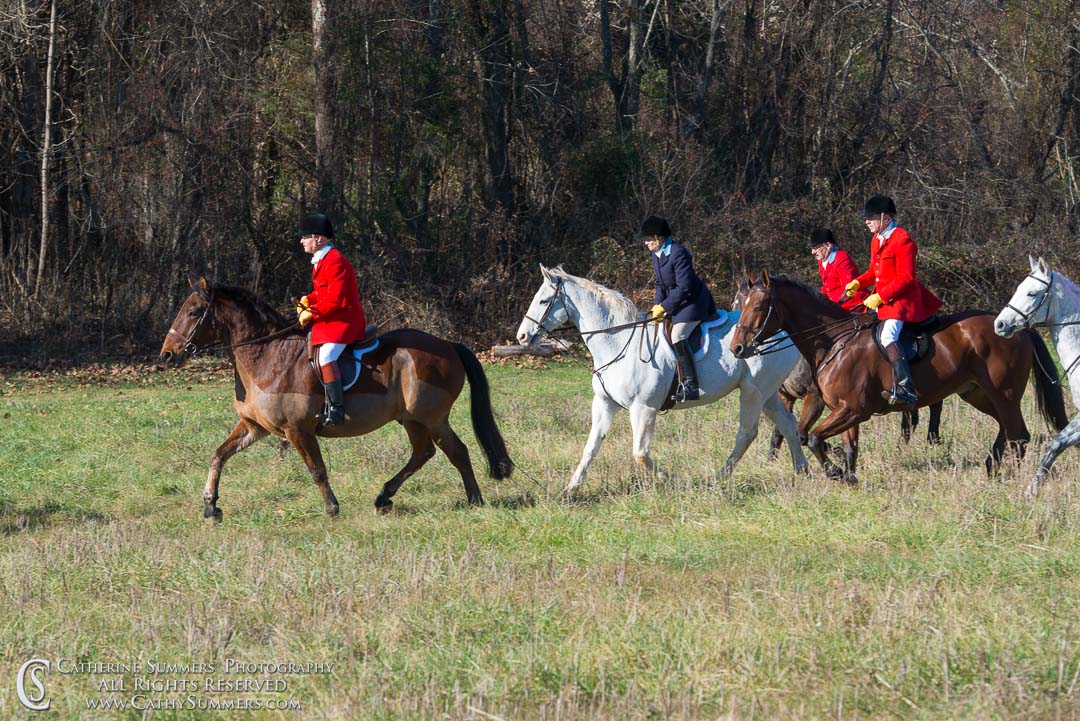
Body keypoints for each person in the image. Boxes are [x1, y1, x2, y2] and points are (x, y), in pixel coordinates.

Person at [844, 195, 941, 405]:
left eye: (870, 218)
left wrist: (881, 296)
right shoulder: (877, 239)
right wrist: (857, 284)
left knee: (888, 336)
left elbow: (907, 277)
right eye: (866, 218)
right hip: (885, 301)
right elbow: (873, 272)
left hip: (902, 302)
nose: (866, 222)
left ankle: (906, 387)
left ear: (885, 218)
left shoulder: (902, 239)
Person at [295, 213, 366, 426]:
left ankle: (336, 408)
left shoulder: (335, 261)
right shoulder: (321, 260)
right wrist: (309, 298)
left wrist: (312, 312)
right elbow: (324, 292)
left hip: (345, 321)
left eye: (305, 236)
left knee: (326, 356)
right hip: (331, 319)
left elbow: (335, 300)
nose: (301, 241)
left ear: (319, 238)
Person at [641, 215, 717, 402]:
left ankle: (691, 385)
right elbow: (660, 284)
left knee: (678, 335)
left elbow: (684, 287)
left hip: (694, 302)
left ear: (659, 238)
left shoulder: (678, 252)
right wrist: (658, 306)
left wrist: (665, 306)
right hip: (677, 301)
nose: (646, 243)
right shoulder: (656, 254)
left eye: (648, 239)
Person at [808, 228, 868, 311]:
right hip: (837, 304)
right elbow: (827, 288)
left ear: (828, 245)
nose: (813, 252)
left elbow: (848, 291)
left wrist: (829, 304)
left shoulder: (842, 259)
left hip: (852, 304)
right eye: (812, 248)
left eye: (815, 248)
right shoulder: (822, 261)